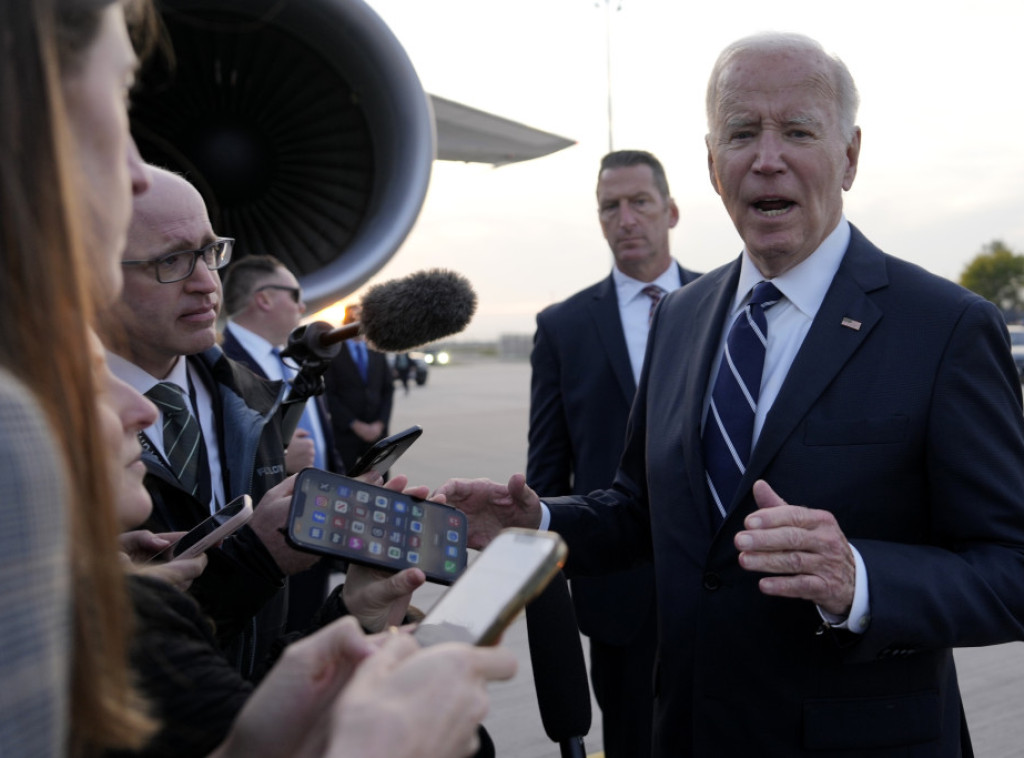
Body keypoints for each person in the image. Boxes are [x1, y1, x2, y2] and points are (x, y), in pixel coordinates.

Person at [440, 31, 1024, 757]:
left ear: (849, 156)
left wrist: (861, 580)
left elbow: (1012, 570)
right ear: (713, 165)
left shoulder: (945, 327)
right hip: (687, 731)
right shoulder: (680, 317)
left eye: (799, 131)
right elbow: (640, 510)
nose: (767, 157)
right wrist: (541, 518)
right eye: (742, 132)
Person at [102, 166, 419, 678]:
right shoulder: (34, 431)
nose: (207, 283)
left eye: (209, 252)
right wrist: (258, 559)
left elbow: (259, 654)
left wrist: (354, 616)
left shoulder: (255, 400)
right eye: (170, 261)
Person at [527, 149, 699, 757]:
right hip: (615, 592)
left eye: (640, 203)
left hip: (718, 581)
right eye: (610, 206)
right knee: (631, 740)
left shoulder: (730, 303)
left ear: (670, 211)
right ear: (599, 220)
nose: (626, 218)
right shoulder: (563, 327)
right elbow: (548, 472)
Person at [220, 254, 344, 630]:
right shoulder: (218, 362)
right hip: (259, 545)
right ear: (264, 298)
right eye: (294, 294)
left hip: (315, 528)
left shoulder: (295, 360)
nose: (303, 306)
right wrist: (278, 460)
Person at [324, 303, 396, 473]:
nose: (356, 322)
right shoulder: (333, 352)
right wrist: (355, 425)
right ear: (345, 321)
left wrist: (380, 423)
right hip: (346, 435)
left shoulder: (377, 349)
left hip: (377, 436)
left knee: (381, 485)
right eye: (351, 318)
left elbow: (388, 389)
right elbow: (328, 394)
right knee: (344, 484)